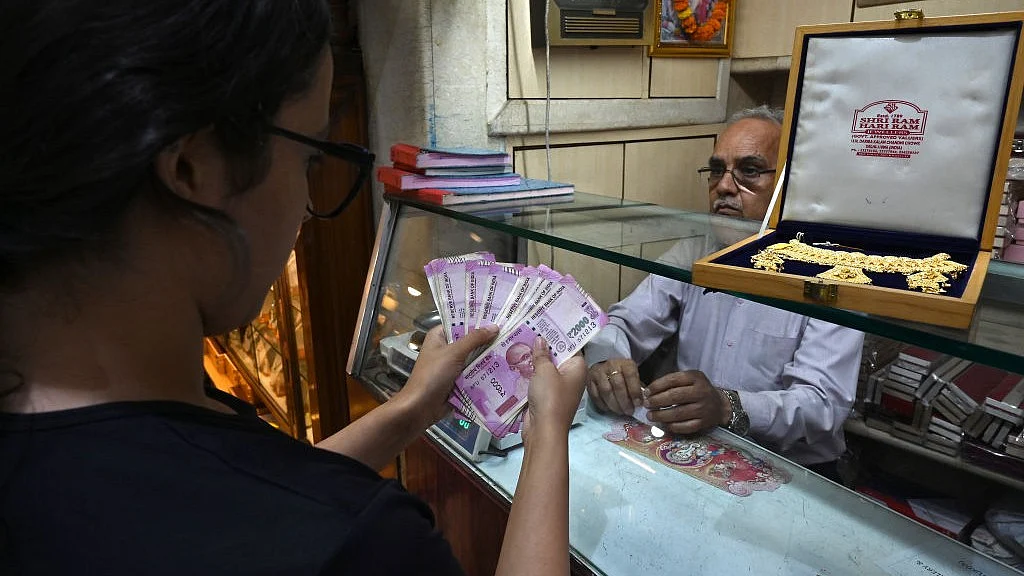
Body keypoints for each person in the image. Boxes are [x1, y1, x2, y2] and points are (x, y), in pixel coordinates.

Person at [0, 2, 585, 575]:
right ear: (192, 167)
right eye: (310, 158)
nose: (306, 206)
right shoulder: (360, 544)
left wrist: (413, 408)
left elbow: (234, 505)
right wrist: (546, 432)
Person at [584, 106, 864, 476]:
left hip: (796, 469)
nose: (724, 187)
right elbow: (625, 322)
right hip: (700, 450)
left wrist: (728, 405)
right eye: (717, 171)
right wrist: (606, 362)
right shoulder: (696, 252)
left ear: (792, 185)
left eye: (749, 171)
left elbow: (822, 405)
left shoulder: (833, 274)